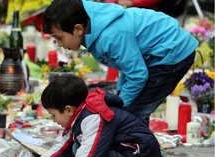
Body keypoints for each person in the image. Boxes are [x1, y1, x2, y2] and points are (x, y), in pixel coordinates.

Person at [2, 74, 162, 157]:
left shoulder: (93, 117)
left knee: (83, 153)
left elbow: (90, 154)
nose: (53, 120)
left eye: (53, 115)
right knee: (74, 148)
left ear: (69, 110)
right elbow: (60, 149)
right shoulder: (81, 115)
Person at [42, 0, 198, 125]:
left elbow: (137, 74)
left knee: (135, 113)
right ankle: (136, 151)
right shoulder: (91, 28)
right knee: (128, 111)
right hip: (156, 54)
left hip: (172, 52)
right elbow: (127, 65)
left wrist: (121, 103)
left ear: (78, 29)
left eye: (59, 38)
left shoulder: (110, 36)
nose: (59, 44)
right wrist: (120, 95)